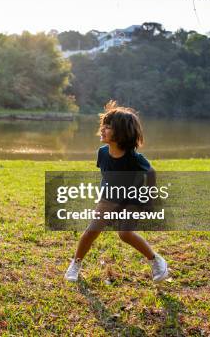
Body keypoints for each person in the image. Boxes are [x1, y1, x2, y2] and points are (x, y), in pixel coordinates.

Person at [64, 100, 169, 282]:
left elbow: (151, 173)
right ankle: (75, 264)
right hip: (109, 198)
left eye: (108, 127)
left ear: (121, 133)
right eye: (103, 125)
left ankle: (156, 261)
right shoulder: (102, 153)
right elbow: (106, 175)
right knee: (91, 231)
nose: (102, 129)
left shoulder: (134, 158)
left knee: (125, 234)